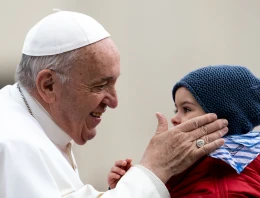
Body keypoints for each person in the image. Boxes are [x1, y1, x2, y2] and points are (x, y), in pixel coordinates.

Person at [0, 10, 229, 198]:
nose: (114, 101)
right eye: (100, 85)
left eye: (114, 83)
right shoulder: (13, 143)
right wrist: (154, 170)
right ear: (49, 85)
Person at [109, 65, 260, 197]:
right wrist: (129, 183)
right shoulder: (177, 159)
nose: (175, 118)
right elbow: (155, 191)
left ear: (222, 113)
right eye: (175, 109)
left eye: (186, 109)